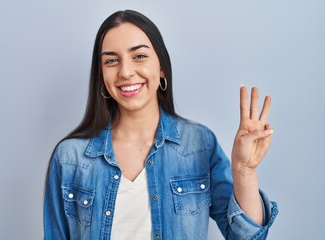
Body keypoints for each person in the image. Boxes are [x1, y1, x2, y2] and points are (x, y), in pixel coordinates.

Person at [43, 9, 278, 240]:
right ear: (102, 76)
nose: (125, 72)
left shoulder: (199, 145)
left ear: (161, 67)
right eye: (112, 60)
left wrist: (245, 171)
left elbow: (246, 236)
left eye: (140, 56)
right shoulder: (69, 157)